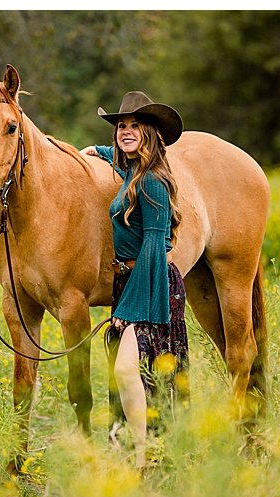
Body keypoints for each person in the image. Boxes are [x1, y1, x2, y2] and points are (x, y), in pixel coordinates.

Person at [79, 91, 188, 471]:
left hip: (151, 282)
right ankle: (146, 452)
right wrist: (96, 151)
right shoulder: (133, 172)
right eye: (121, 126)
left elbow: (154, 249)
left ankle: (142, 458)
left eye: (134, 126)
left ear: (150, 133)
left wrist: (126, 309)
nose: (125, 131)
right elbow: (119, 158)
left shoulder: (154, 183)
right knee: (134, 373)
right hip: (131, 282)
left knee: (127, 370)